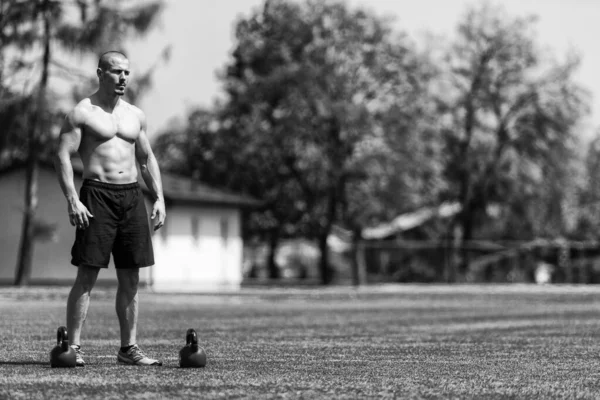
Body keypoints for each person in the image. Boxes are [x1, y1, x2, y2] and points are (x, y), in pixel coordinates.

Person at [53, 51, 166, 367]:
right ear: (101, 73)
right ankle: (73, 348)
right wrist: (72, 198)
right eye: (116, 72)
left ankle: (128, 348)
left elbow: (145, 158)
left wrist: (158, 196)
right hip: (97, 196)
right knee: (87, 274)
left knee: (131, 277)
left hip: (131, 197)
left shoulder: (135, 115)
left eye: (127, 72)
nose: (123, 78)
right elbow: (62, 156)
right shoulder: (83, 113)